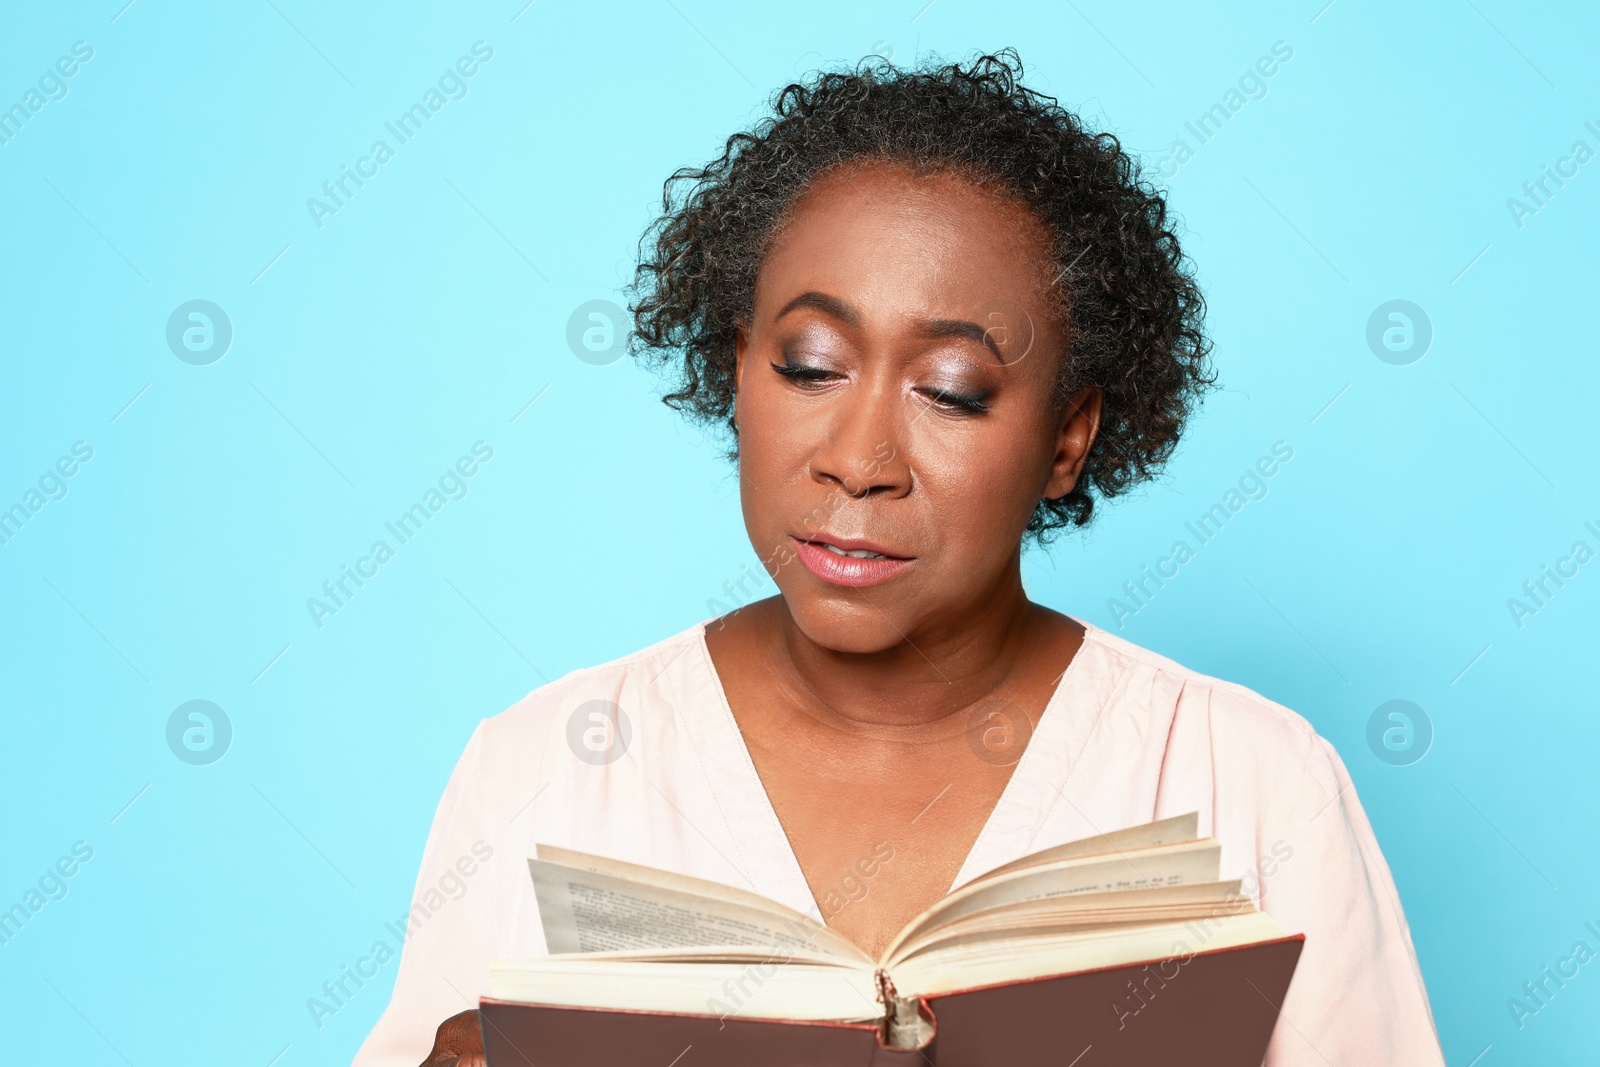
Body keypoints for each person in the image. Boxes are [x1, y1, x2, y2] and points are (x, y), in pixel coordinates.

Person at [354, 51, 1444, 1066]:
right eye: (810, 365)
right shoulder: (544, 766)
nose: (860, 460)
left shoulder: (1252, 783)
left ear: (1067, 437)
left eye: (952, 391)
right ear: (737, 369)